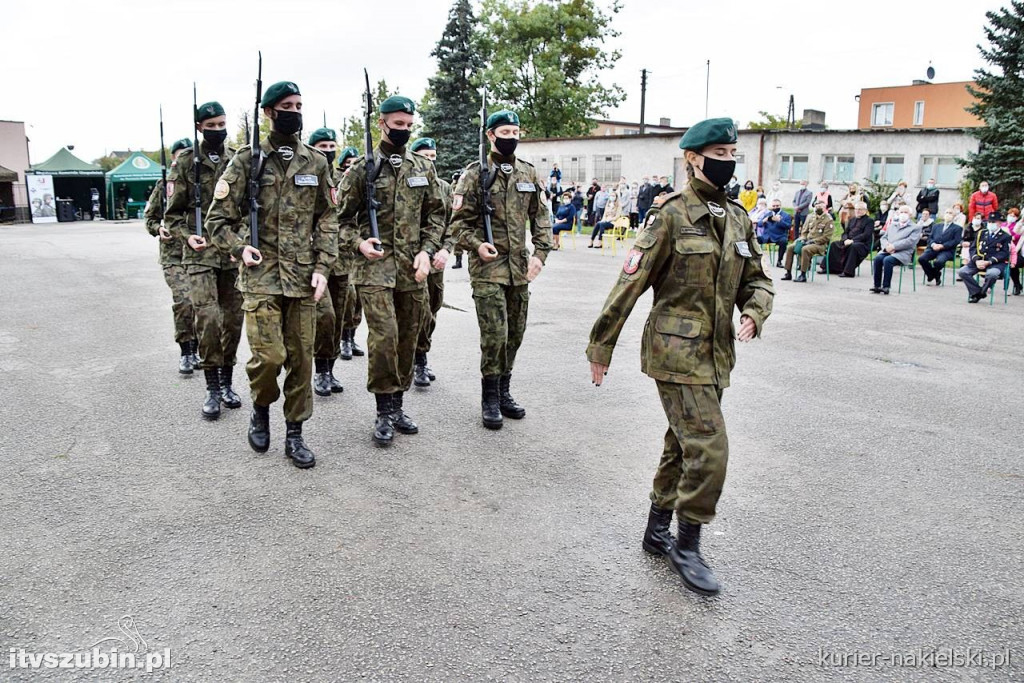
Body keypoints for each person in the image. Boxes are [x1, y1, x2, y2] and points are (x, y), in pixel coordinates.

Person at [586, 117, 773, 596]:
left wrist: (754, 310)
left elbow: (758, 279)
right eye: (719, 154)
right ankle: (686, 544)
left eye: (733, 155)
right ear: (692, 157)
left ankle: (656, 530)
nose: (727, 162)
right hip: (674, 352)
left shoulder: (737, 217)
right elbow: (631, 281)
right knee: (709, 446)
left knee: (682, 442)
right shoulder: (669, 215)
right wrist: (601, 345)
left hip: (716, 355)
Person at [205, 80, 338, 468]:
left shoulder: (316, 161)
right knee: (270, 357)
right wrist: (237, 246)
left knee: (301, 359)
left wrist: (323, 267)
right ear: (268, 112)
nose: (294, 110)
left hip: (302, 278)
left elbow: (328, 218)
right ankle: (261, 408)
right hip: (260, 275)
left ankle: (295, 433)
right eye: (286, 105)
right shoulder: (247, 161)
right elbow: (217, 220)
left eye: (299, 104)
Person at [336, 95, 445, 446]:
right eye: (398, 125)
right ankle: (383, 410)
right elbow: (338, 221)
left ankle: (398, 404)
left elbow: (436, 216)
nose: (404, 131)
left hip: (413, 269)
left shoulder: (421, 167)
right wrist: (359, 243)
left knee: (409, 336)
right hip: (374, 270)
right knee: (384, 337)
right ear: (381, 123)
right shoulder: (360, 171)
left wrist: (428, 252)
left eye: (409, 126)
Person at [449, 109, 551, 430]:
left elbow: (541, 217)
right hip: (488, 268)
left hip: (519, 269)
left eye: (515, 132)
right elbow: (457, 226)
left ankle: (504, 390)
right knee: (495, 334)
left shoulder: (529, 174)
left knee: (515, 334)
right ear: (490, 136)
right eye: (504, 132)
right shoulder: (474, 175)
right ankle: (489, 397)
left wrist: (541, 253)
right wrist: (477, 244)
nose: (511, 138)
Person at [165, 100, 243, 421]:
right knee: (208, 318)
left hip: (231, 252)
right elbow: (171, 217)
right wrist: (187, 236)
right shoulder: (185, 163)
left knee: (233, 320)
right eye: (210, 126)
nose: (217, 131)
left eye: (221, 124)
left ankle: (227, 381)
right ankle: (212, 387)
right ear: (199, 127)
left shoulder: (237, 159)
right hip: (198, 254)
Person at [143, 137, 197, 374]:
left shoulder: (201, 182)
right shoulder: (163, 184)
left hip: (198, 253)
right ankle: (186, 350)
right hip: (174, 255)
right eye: (180, 153)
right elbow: (151, 217)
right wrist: (158, 229)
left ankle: (201, 347)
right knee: (184, 301)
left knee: (203, 305)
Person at [410, 137, 454, 389]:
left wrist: (447, 249)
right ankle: (416, 361)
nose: (430, 161)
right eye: (425, 156)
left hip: (436, 260)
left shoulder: (445, 188)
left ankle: (421, 356)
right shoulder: (407, 184)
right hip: (410, 259)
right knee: (417, 311)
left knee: (432, 309)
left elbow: (453, 223)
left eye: (433, 157)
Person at [307, 127, 347, 398]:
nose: (328, 150)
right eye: (322, 145)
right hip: (315, 258)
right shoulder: (306, 175)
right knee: (325, 316)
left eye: (332, 145)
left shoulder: (345, 178)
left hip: (343, 259)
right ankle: (320, 370)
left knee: (339, 319)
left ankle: (330, 368)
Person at [335, 146, 366, 360]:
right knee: (348, 297)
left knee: (358, 301)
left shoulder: (364, 178)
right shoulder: (339, 179)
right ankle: (343, 338)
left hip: (362, 246)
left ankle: (351, 336)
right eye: (350, 161)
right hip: (342, 248)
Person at [958, 211, 1011, 303]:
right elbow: (973, 248)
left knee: (992, 274)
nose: (990, 224)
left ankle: (982, 291)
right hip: (979, 261)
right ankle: (977, 292)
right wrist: (976, 260)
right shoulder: (981, 233)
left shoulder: (1005, 236)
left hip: (995, 263)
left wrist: (989, 261)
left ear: (999, 223)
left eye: (993, 222)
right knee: (962, 272)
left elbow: (1004, 253)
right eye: (989, 222)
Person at [870, 205, 921, 295]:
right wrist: (887, 247)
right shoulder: (892, 225)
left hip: (902, 253)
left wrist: (894, 246)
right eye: (901, 212)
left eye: (906, 212)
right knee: (878, 258)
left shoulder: (915, 227)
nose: (903, 214)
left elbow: (910, 241)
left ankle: (886, 286)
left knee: (887, 260)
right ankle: (876, 285)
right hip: (888, 250)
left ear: (910, 215)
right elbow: (884, 238)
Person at [781, 200, 832, 282]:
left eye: (821, 206)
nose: (819, 208)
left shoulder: (828, 220)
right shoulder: (810, 217)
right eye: (817, 206)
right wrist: (803, 239)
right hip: (806, 241)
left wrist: (812, 241)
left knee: (805, 249)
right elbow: (804, 231)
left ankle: (803, 274)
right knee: (790, 247)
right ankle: (788, 273)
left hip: (819, 244)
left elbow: (826, 237)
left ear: (825, 208)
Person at [822, 201, 874, 277]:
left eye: (860, 209)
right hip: (848, 241)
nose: (857, 211)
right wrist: (845, 239)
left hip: (862, 244)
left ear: (865, 210)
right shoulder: (852, 219)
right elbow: (845, 232)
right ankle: (830, 268)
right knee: (834, 245)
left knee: (853, 247)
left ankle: (848, 271)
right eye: (856, 209)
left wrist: (852, 240)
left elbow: (866, 234)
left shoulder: (869, 221)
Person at [918, 208, 963, 286]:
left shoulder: (957, 228)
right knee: (922, 259)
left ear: (954, 216)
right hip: (933, 248)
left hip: (946, 250)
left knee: (939, 262)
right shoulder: (936, 226)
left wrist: (943, 246)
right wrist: (933, 244)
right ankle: (933, 274)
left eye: (950, 213)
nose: (948, 215)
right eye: (947, 212)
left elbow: (956, 241)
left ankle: (934, 273)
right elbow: (930, 238)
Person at [756, 198, 792, 267]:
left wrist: (779, 221)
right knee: (754, 239)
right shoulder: (768, 214)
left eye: (777, 206)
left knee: (784, 241)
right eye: (774, 206)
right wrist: (764, 221)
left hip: (779, 236)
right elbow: (759, 224)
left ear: (780, 206)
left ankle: (779, 261)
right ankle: (756, 260)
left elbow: (788, 226)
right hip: (767, 236)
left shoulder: (786, 215)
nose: (775, 207)